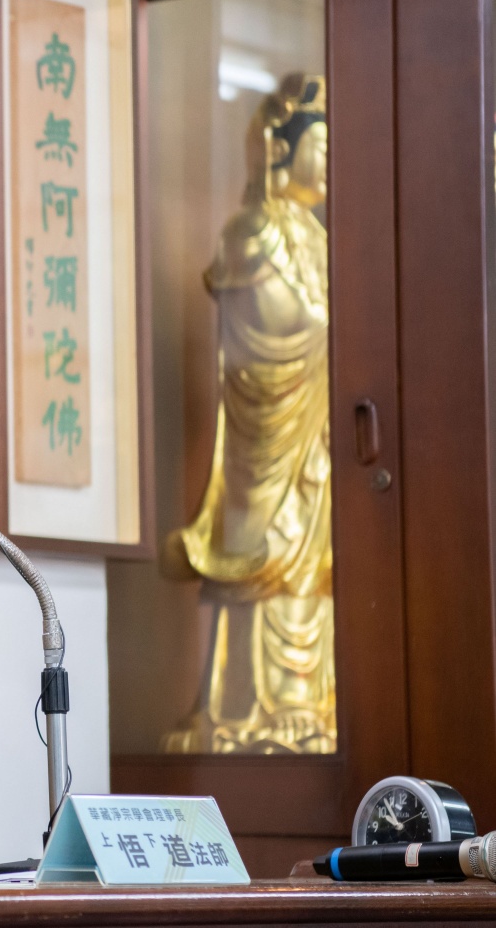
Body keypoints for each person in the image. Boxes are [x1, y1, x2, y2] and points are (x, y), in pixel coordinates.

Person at [162, 74, 334, 755]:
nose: (328, 161)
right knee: (270, 546)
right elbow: (269, 323)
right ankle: (251, 702)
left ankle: (304, 696)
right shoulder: (252, 230)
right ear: (279, 151)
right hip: (270, 426)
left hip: (317, 429)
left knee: (316, 561)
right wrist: (333, 328)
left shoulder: (318, 236)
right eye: (319, 145)